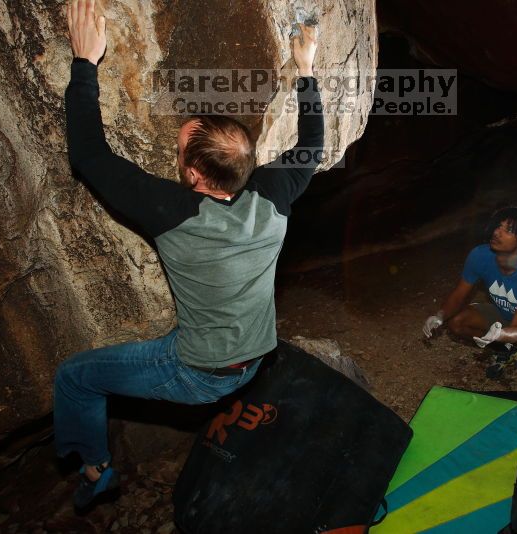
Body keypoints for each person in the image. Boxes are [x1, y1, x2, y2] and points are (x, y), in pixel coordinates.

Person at [55, 0, 323, 510]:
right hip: (254, 355)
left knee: (75, 376)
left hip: (197, 372)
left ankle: (95, 466)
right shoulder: (274, 191)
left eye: (180, 153)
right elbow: (314, 140)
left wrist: (85, 61)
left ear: (195, 177)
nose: (178, 154)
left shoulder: (174, 211)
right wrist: (305, 68)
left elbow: (89, 155)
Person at [422, 206, 517, 389]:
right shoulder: (480, 255)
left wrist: (501, 334)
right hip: (504, 310)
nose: (497, 232)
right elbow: (458, 295)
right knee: (457, 323)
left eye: (508, 230)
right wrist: (439, 316)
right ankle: (507, 349)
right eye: (498, 226)